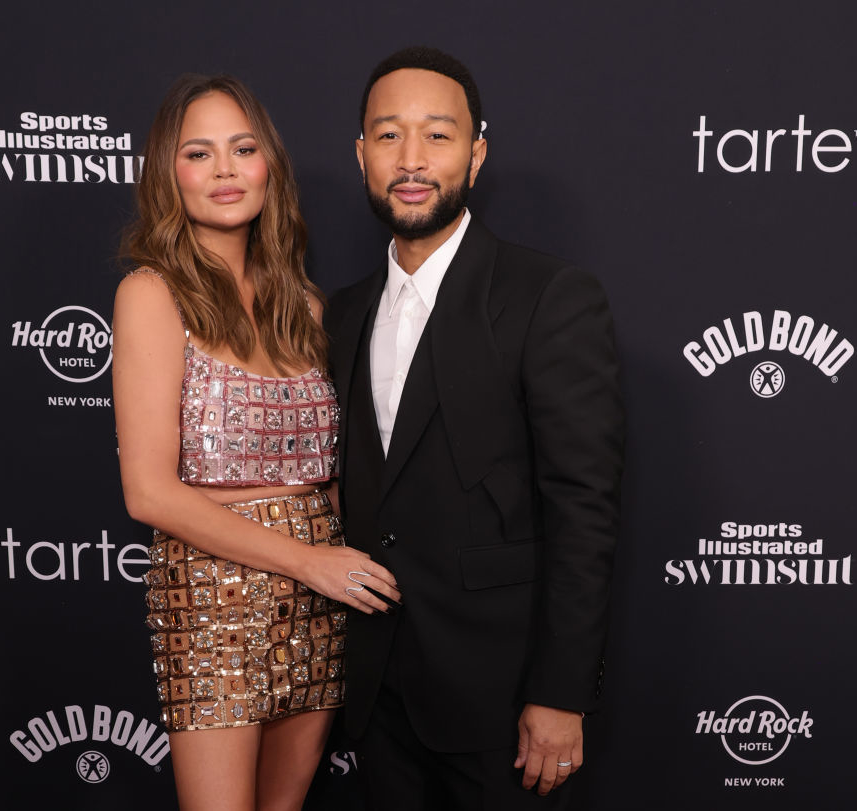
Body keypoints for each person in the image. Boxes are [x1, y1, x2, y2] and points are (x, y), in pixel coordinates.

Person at [323, 46, 625, 809]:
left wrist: (562, 694)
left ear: (477, 152)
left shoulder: (549, 296)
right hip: (373, 697)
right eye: (388, 136)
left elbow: (582, 506)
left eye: (439, 134)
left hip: (503, 701)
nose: (412, 159)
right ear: (361, 154)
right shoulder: (340, 312)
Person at [111, 73, 400, 811]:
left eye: (242, 149)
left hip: (320, 597)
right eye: (198, 154)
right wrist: (307, 560)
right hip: (211, 596)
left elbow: (331, 471)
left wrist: (333, 562)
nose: (225, 171)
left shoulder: (303, 304)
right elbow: (148, 490)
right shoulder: (152, 292)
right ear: (168, 175)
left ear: (269, 163)